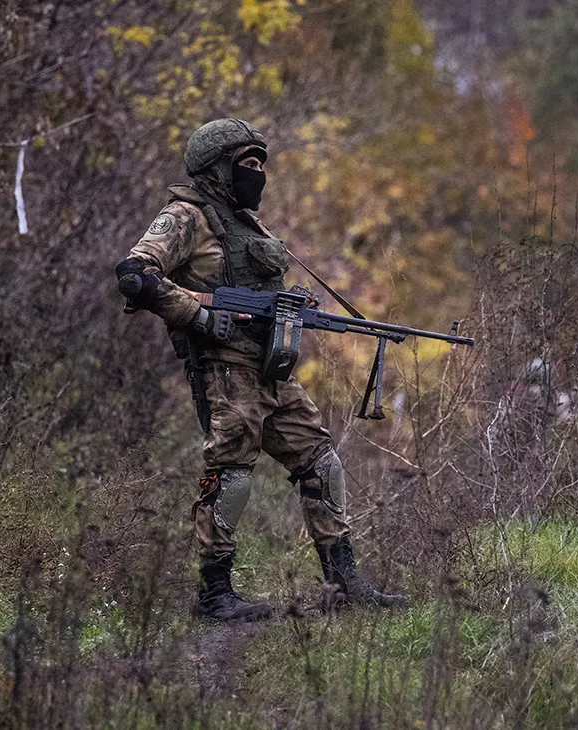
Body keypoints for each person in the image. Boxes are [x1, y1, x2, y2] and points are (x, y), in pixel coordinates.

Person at [115, 118, 404, 621]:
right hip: (225, 371)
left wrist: (289, 304)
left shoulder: (246, 223)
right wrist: (201, 315)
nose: (257, 174)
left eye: (260, 164)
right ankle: (214, 593)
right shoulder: (186, 216)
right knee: (231, 475)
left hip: (271, 367)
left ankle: (344, 583)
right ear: (218, 168)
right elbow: (136, 276)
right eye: (246, 164)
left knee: (321, 461)